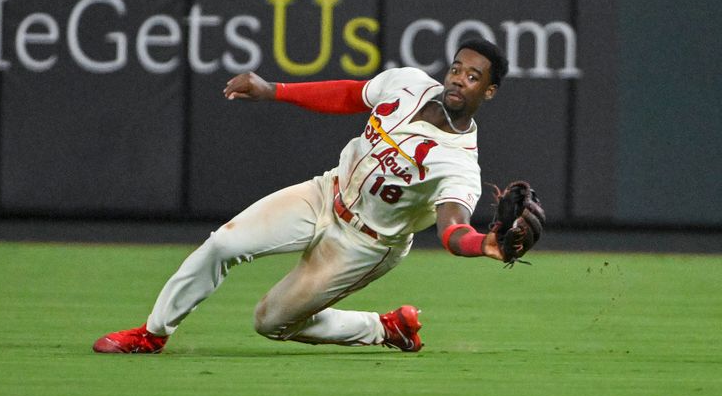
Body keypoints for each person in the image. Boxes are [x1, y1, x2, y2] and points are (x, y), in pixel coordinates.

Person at [93, 37, 510, 354]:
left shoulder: (457, 163)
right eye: (457, 68)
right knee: (223, 243)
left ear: (488, 93)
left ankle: (383, 329)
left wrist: (482, 243)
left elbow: (452, 227)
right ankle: (152, 334)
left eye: (473, 77)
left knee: (269, 322)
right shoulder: (408, 84)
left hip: (364, 244)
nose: (459, 79)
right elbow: (351, 94)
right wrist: (274, 89)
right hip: (324, 194)